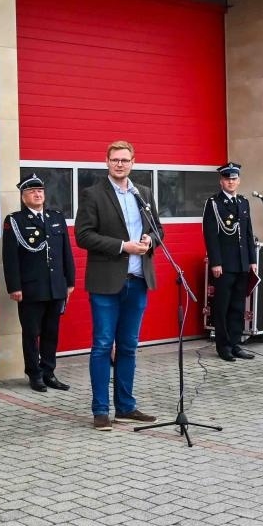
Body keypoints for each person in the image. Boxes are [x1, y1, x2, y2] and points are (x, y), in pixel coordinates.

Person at [75, 140, 159, 431]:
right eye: (114, 160)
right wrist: (123, 246)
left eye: (124, 160)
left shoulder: (143, 193)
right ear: (107, 162)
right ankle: (100, 410)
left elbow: (157, 229)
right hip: (106, 283)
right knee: (101, 345)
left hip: (137, 281)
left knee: (129, 346)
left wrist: (149, 240)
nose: (119, 164)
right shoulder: (93, 194)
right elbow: (83, 235)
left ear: (134, 162)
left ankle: (125, 407)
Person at [2, 174, 75, 393]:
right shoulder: (15, 221)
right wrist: (14, 286)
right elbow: (10, 257)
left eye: (40, 191)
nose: (38, 194)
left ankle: (49, 372)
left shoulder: (56, 217)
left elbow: (65, 252)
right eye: (32, 191)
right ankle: (34, 374)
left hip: (55, 287)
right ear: (24, 197)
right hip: (31, 288)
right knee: (31, 333)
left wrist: (69, 281)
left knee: (51, 332)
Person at [203, 161, 259, 362]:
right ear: (221, 181)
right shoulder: (214, 204)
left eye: (234, 179)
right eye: (227, 179)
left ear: (239, 181)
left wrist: (252, 260)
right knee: (222, 306)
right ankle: (223, 346)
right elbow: (211, 235)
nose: (231, 182)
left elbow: (248, 234)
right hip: (224, 265)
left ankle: (235, 343)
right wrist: (216, 262)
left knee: (238, 306)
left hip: (242, 264)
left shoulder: (243, 202)